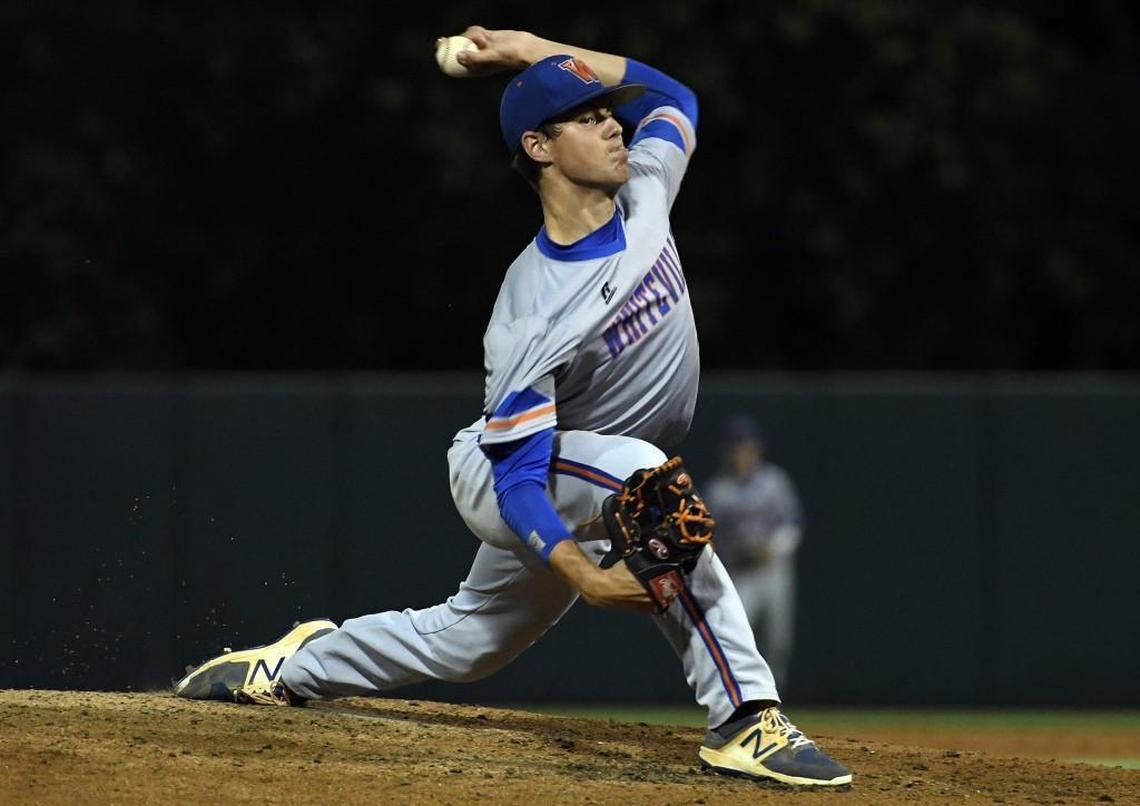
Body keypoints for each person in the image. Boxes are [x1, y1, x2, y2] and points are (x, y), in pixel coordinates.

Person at [173, 26, 851, 787]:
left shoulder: (649, 184)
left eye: (608, 111)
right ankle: (744, 717)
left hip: (585, 472)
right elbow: (521, 477)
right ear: (539, 147)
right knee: (646, 475)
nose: (614, 124)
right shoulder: (530, 309)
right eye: (588, 118)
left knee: (470, 644)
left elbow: (676, 97)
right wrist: (587, 579)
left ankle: (295, 666)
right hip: (504, 468)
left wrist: (535, 49)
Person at [705, 416, 803, 686]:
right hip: (740, 571)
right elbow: (709, 536)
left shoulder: (774, 481)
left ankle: (774, 706)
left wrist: (773, 548)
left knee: (777, 641)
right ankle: (741, 702)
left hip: (773, 570)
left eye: (745, 446)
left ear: (756, 449)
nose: (740, 453)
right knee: (737, 639)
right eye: (735, 447)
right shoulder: (718, 489)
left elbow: (793, 525)